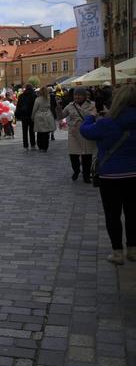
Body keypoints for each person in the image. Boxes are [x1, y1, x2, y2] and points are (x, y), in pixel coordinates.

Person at [80, 84, 136, 265]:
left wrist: (90, 117)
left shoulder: (107, 123)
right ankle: (133, 250)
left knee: (112, 214)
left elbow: (86, 132)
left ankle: (117, 252)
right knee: (133, 213)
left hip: (111, 175)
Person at [58, 87, 97, 183]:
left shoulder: (92, 105)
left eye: (79, 95)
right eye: (75, 95)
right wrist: (58, 108)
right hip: (74, 133)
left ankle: (86, 176)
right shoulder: (70, 106)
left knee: (87, 156)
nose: (77, 97)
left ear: (84, 96)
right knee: (73, 154)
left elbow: (95, 116)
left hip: (86, 132)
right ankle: (76, 170)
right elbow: (61, 116)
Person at [32, 87, 56, 152]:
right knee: (46, 133)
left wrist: (32, 116)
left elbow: (35, 109)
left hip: (39, 116)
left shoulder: (38, 99)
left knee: (40, 132)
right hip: (48, 115)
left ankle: (40, 146)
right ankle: (45, 147)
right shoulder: (48, 98)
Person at [16, 83, 37, 150]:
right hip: (31, 115)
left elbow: (18, 106)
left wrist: (18, 115)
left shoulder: (21, 96)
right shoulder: (34, 95)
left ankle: (25, 146)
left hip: (24, 115)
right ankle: (33, 145)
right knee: (32, 131)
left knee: (24, 131)